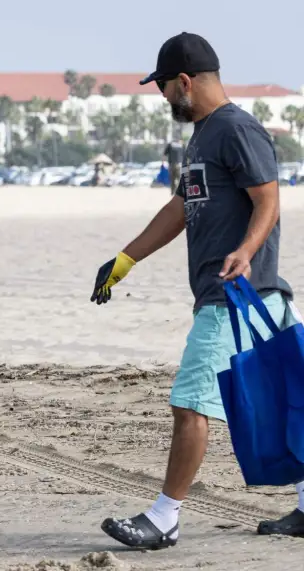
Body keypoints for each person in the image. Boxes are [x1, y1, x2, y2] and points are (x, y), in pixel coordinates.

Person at [92, 31, 303, 549]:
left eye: (163, 87)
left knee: (190, 403)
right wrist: (125, 259)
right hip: (254, 297)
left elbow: (269, 202)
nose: (162, 96)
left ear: (184, 81)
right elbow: (181, 207)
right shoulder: (203, 133)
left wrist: (247, 252)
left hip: (234, 296)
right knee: (284, 399)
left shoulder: (237, 130)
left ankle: (164, 517)